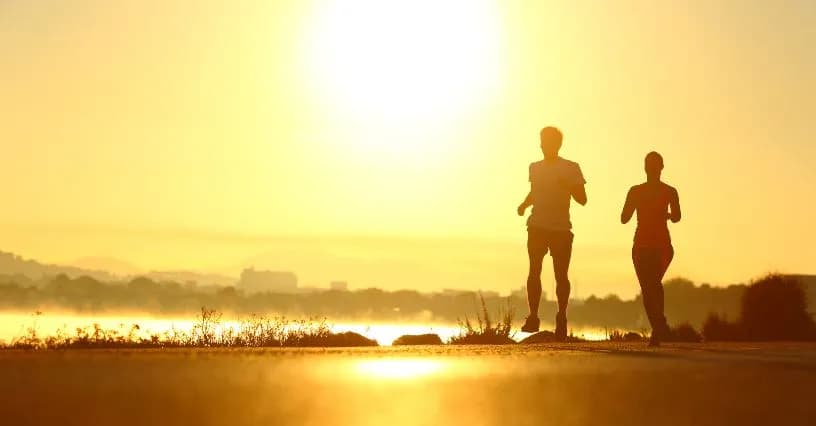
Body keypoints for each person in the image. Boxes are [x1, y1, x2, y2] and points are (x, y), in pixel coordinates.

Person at [517, 127, 587, 339]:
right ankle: (533, 316)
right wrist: (524, 204)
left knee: (561, 275)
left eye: (545, 141)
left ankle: (562, 316)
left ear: (556, 144)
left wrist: (568, 185)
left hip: (561, 229)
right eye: (541, 141)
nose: (541, 145)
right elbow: (535, 192)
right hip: (537, 225)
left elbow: (583, 199)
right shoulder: (534, 168)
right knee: (534, 271)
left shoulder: (571, 168)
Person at [621, 151, 681, 346]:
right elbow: (677, 216)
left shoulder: (646, 191)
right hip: (645, 246)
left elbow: (624, 218)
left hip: (657, 246)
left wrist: (665, 215)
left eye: (653, 165)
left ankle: (659, 328)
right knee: (650, 287)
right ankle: (659, 327)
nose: (653, 168)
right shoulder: (663, 191)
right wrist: (667, 215)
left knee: (651, 286)